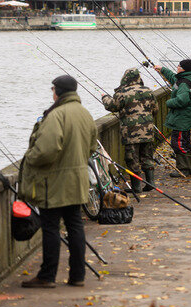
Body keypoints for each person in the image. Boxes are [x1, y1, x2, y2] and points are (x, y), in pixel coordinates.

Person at [18, 75, 98, 289]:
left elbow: (46, 150)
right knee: (75, 226)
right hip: (77, 179)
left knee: (51, 227)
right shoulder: (85, 114)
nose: (51, 92)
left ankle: (47, 276)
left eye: (52, 88)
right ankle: (77, 275)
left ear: (58, 91)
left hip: (54, 183)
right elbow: (92, 147)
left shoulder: (56, 115)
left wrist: (29, 159)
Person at [101, 68, 158, 192]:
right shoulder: (148, 91)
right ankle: (151, 183)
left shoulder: (122, 92)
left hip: (131, 133)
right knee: (147, 156)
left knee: (132, 159)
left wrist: (105, 97)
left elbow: (112, 106)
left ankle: (136, 187)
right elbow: (155, 110)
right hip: (148, 131)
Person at [154, 59, 191, 177]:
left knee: (178, 143)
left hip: (182, 118)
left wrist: (169, 102)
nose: (177, 67)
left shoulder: (184, 84)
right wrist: (162, 70)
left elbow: (182, 100)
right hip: (185, 117)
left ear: (183, 69)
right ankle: (190, 167)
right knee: (185, 142)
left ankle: (184, 168)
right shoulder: (185, 79)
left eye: (178, 66)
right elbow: (174, 79)